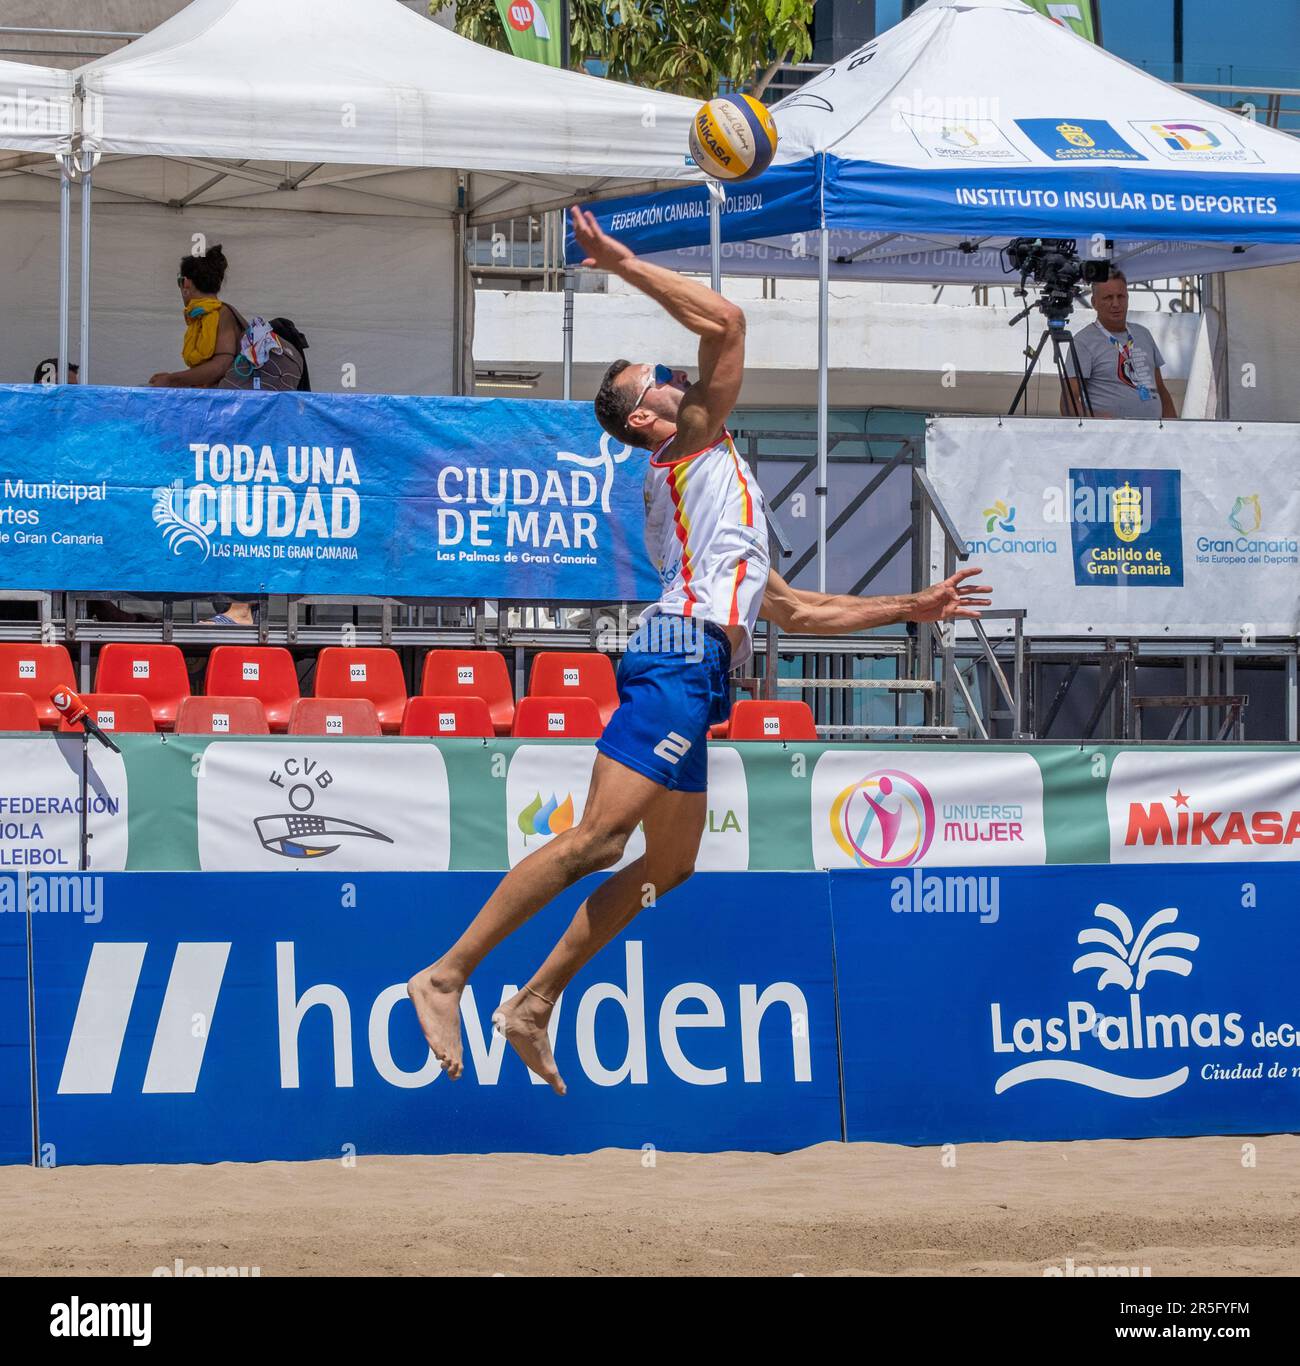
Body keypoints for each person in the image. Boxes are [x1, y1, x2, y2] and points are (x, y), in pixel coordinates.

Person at [407, 205, 992, 1094]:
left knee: (669, 865)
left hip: (704, 666)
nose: (685, 377)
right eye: (665, 377)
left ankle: (533, 1003)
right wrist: (621, 261)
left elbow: (794, 613)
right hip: (676, 656)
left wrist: (918, 603)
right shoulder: (687, 447)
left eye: (677, 373)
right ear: (648, 420)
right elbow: (728, 321)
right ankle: (447, 973)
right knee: (596, 841)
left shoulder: (716, 480)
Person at [1061, 270, 1177, 419]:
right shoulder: (1083, 342)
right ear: (1094, 303)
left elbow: (1160, 389)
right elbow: (1067, 402)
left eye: (1120, 296)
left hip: (1152, 435)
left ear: (1127, 299)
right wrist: (1098, 421)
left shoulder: (1143, 334)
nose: (1116, 303)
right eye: (1108, 297)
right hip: (1111, 438)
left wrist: (1173, 428)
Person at [148, 245, 241, 388]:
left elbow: (221, 365)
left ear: (186, 283)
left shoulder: (222, 313)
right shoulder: (201, 315)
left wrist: (172, 380)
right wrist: (174, 378)